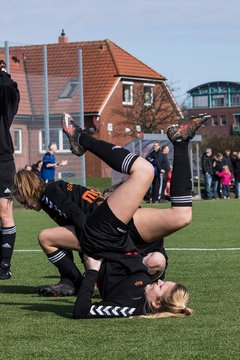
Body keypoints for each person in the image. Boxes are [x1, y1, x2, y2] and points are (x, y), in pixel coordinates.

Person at [20, 112, 209, 318]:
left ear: (155, 303)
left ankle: (82, 139)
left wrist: (91, 272)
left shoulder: (129, 306)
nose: (160, 281)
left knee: (144, 170)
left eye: (162, 286)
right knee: (182, 217)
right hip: (124, 240)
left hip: (104, 236)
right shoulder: (147, 290)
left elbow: (81, 311)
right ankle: (180, 143)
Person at [14, 171, 168, 296]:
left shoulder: (50, 194)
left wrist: (92, 250)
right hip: (112, 225)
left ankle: (75, 282)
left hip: (104, 229)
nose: (26, 206)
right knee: (155, 260)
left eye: (23, 201)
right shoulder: (54, 190)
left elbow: (78, 216)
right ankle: (71, 281)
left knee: (45, 238)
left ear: (26, 189)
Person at [0, 60, 20, 280]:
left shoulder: (7, 94)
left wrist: (2, 72)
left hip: (1, 162)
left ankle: (4, 266)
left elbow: (7, 87)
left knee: (4, 213)